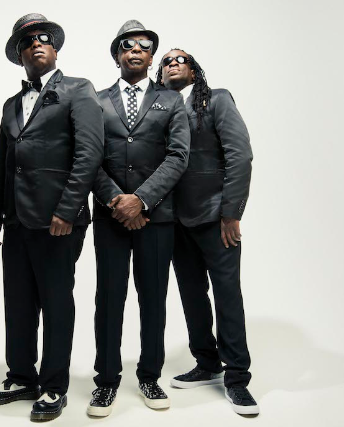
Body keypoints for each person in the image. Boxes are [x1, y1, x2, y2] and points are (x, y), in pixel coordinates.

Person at [0, 13, 104, 422]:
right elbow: (2, 163)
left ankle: (53, 386)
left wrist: (67, 210)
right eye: (27, 40)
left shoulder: (78, 90)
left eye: (44, 37)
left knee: (55, 302)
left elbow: (89, 154)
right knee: (17, 302)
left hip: (58, 221)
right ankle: (20, 377)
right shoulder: (11, 105)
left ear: (55, 49)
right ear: (19, 55)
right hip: (16, 219)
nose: (36, 43)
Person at [86, 21, 190, 417]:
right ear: (117, 55)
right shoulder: (96, 100)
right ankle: (106, 380)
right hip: (111, 218)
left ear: (151, 57)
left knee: (153, 299)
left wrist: (142, 201)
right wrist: (118, 201)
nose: (135, 50)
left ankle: (149, 375)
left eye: (144, 45)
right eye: (127, 45)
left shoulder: (171, 101)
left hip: (156, 219)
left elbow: (178, 156)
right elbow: (88, 157)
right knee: (109, 299)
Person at [157, 48, 258, 415]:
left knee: (227, 295)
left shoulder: (216, 100)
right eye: (166, 61)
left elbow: (240, 155)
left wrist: (231, 212)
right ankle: (207, 362)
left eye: (180, 59)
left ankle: (237, 378)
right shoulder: (159, 109)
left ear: (194, 69)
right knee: (191, 294)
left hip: (216, 218)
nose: (173, 63)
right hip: (174, 220)